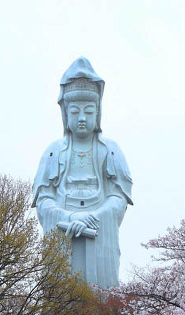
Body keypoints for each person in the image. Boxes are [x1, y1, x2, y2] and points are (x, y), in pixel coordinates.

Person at [32, 57, 133, 289]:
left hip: (100, 227)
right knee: (61, 293)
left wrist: (94, 217)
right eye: (75, 111)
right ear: (65, 114)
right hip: (62, 227)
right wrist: (69, 218)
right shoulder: (53, 151)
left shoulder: (110, 150)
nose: (81, 118)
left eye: (88, 111)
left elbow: (119, 198)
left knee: (102, 294)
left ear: (98, 112)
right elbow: (43, 199)